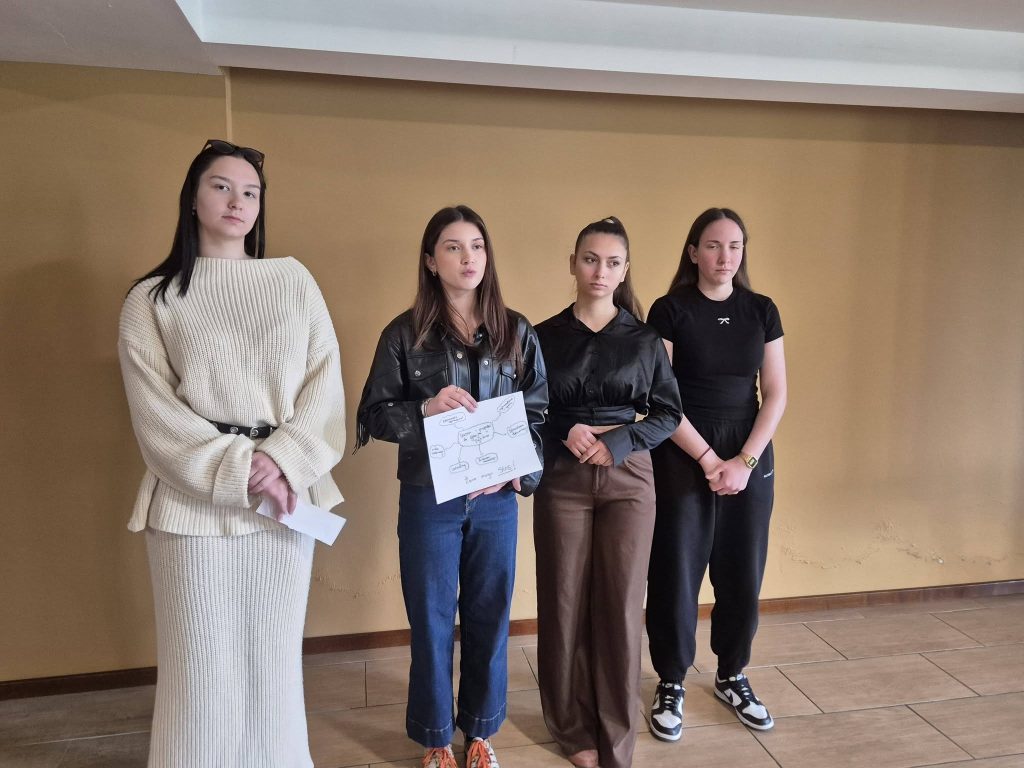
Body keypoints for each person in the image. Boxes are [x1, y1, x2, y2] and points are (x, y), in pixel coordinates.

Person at [118, 139, 346, 767]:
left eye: (250, 192)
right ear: (193, 198)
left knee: (273, 658)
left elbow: (324, 385)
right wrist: (244, 468)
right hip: (189, 505)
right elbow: (154, 414)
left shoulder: (293, 280)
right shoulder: (152, 300)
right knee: (198, 661)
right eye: (221, 186)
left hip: (285, 500)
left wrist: (282, 460)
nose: (237, 201)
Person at [355, 205, 547, 768]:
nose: (468, 258)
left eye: (477, 246)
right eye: (453, 247)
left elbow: (539, 414)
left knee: (490, 613)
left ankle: (481, 732)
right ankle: (436, 737)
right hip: (428, 498)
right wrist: (425, 409)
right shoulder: (403, 334)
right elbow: (373, 415)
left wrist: (520, 472)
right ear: (430, 260)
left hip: (496, 502)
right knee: (432, 617)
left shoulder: (517, 331)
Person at [533, 216, 681, 768]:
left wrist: (619, 441)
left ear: (625, 270)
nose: (600, 271)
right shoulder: (541, 336)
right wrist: (563, 428)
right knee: (563, 600)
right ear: (573, 263)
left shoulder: (644, 339)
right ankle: (571, 727)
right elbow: (523, 408)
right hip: (563, 477)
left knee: (620, 605)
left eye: (612, 262)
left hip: (630, 479)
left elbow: (668, 413)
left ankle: (617, 736)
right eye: (590, 259)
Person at [645, 207, 787, 742]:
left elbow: (776, 393)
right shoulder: (670, 310)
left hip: (749, 452)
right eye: (712, 245)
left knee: (743, 570)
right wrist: (708, 459)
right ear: (693, 252)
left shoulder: (762, 310)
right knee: (676, 571)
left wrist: (744, 462)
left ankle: (732, 674)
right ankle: (671, 680)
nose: (724, 256)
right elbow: (660, 397)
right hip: (682, 450)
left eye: (734, 246)